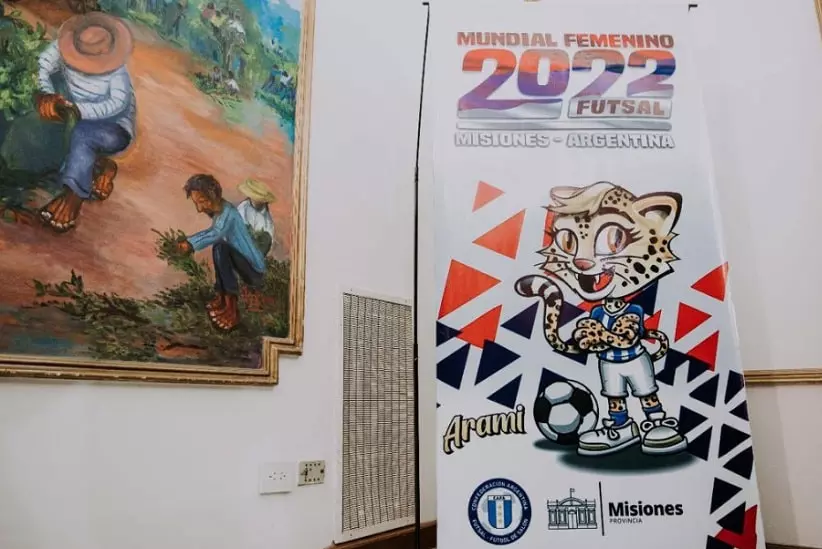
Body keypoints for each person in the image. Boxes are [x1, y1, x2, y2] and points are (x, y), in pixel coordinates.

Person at [35, 13, 136, 233]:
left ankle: (73, 196)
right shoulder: (66, 47)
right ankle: (101, 167)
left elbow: (117, 104)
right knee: (64, 134)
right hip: (74, 116)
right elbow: (42, 65)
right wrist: (47, 94)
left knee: (83, 134)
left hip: (113, 129)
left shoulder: (118, 72)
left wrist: (78, 110)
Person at [177, 174, 265, 331]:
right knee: (219, 249)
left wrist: (190, 243)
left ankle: (231, 308)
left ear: (213, 196)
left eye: (202, 201)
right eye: (196, 203)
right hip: (242, 262)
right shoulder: (220, 212)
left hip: (254, 271)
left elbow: (215, 233)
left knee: (220, 248)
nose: (199, 209)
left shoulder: (228, 213)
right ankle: (222, 297)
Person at [236, 178, 276, 256]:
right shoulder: (243, 208)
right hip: (241, 247)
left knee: (266, 237)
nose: (256, 200)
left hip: (258, 251)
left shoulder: (267, 219)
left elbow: (269, 240)